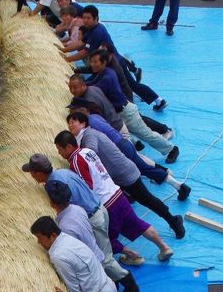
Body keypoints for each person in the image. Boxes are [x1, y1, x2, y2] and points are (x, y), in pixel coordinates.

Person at [21, 153, 138, 292]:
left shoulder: (54, 185)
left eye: (32, 173)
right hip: (98, 208)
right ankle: (116, 281)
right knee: (102, 250)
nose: (32, 177)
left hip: (93, 216)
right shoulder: (61, 173)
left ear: (38, 173)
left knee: (103, 257)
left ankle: (129, 284)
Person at [54, 131, 175, 262]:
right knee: (138, 224)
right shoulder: (88, 152)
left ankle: (132, 255)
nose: (59, 153)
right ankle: (164, 247)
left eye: (60, 149)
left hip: (106, 204)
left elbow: (86, 187)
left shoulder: (76, 162)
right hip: (117, 194)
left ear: (68, 147)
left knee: (104, 238)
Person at [65, 110, 186, 238]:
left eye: (73, 122)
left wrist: (75, 158)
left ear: (83, 123)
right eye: (69, 124)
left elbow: (91, 153)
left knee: (148, 200)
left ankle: (174, 221)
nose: (71, 125)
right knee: (142, 200)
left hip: (125, 174)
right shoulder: (85, 137)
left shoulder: (89, 135)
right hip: (119, 176)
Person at [85, 51, 179, 162]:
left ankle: (172, 149)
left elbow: (93, 90)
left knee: (146, 135)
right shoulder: (103, 72)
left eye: (95, 62)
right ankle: (136, 145)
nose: (92, 64)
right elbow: (91, 83)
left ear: (104, 62)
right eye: (91, 62)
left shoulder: (107, 76)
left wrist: (78, 89)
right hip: (118, 113)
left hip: (126, 112)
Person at [29, 216, 119, 292]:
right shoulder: (67, 238)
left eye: (40, 238)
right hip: (109, 286)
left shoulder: (58, 255)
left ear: (53, 235)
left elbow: (73, 286)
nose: (39, 242)